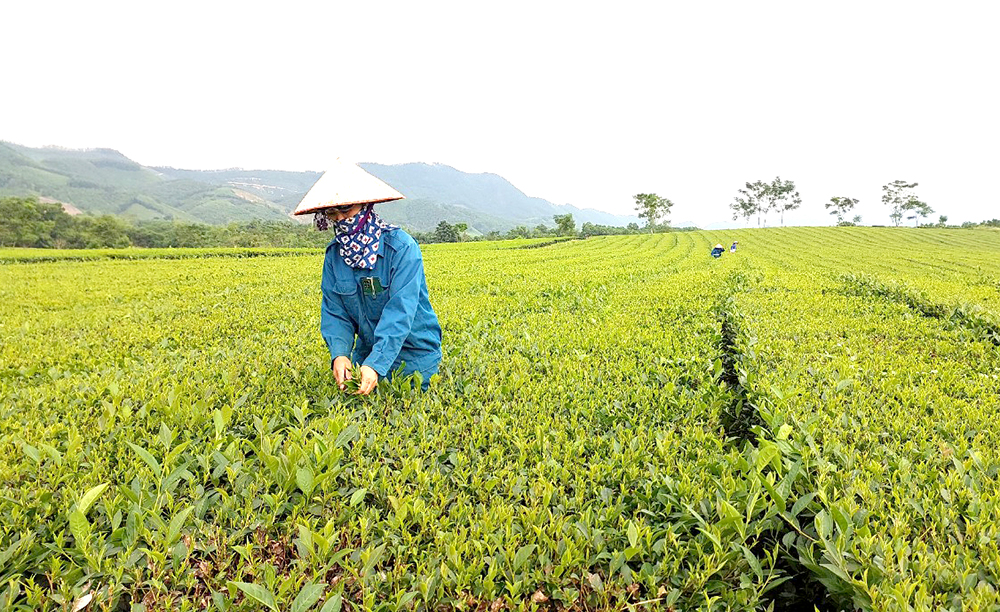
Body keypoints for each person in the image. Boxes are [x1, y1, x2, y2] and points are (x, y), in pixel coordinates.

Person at [293, 159, 442, 395]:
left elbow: (401, 310)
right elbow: (334, 310)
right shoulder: (335, 255)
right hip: (367, 355)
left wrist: (377, 364)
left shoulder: (401, 248)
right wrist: (340, 354)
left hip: (414, 355)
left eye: (347, 210)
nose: (341, 219)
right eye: (332, 213)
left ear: (365, 206)